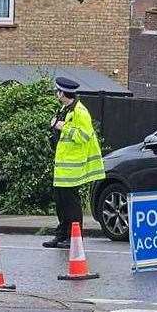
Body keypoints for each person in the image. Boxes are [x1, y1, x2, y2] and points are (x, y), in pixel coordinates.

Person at [43, 77, 106, 249]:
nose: (56, 94)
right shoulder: (65, 108)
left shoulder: (81, 111)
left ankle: (75, 238)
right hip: (63, 165)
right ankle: (61, 235)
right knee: (61, 202)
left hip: (74, 166)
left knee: (71, 204)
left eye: (58, 91)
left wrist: (62, 126)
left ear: (63, 93)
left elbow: (83, 136)